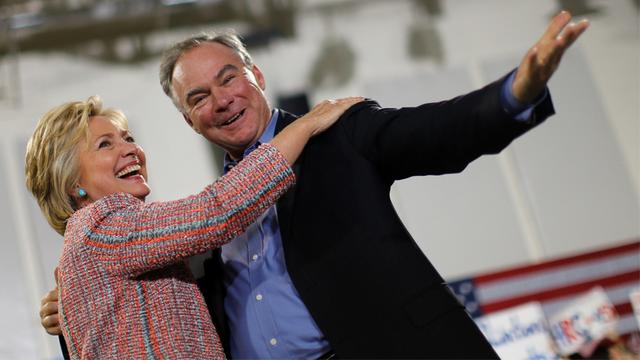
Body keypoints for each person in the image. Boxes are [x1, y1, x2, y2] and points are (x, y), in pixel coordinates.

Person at [41, 10, 589, 358]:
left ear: (257, 76)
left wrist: (515, 92)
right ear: (190, 122)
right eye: (198, 97)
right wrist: (83, 309)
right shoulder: (200, 215)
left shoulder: (335, 134)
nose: (221, 99)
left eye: (228, 77)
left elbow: (434, 132)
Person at [26, 95, 362, 359]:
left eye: (127, 138)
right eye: (105, 145)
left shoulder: (100, 241)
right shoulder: (102, 223)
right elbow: (217, 211)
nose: (132, 150)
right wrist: (307, 125)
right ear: (72, 183)